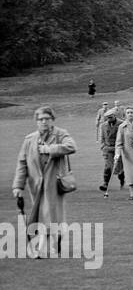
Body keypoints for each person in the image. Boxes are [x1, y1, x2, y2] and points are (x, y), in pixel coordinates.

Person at [12, 106, 77, 256]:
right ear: (36, 121)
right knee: (47, 216)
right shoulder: (29, 140)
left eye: (47, 119)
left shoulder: (61, 134)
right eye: (40, 119)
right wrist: (18, 186)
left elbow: (72, 146)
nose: (44, 122)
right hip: (35, 186)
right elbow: (22, 163)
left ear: (52, 120)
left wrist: (50, 149)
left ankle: (40, 250)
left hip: (54, 184)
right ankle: (59, 235)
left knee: (46, 215)